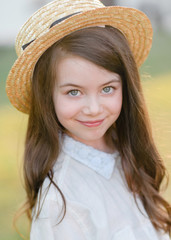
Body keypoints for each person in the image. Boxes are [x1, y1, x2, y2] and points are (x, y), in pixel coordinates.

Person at [6, 0, 171, 239]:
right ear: (46, 97)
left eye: (107, 89)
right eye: (74, 92)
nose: (94, 109)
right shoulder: (60, 205)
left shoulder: (125, 148)